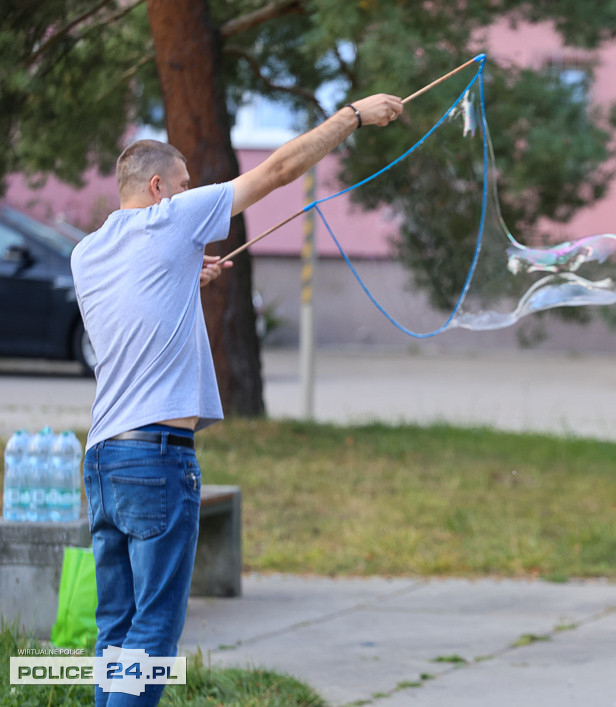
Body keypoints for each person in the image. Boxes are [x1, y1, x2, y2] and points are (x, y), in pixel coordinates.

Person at [71, 93, 403, 706]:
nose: (196, 193)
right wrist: (352, 116)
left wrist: (185, 274)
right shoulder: (173, 217)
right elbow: (276, 171)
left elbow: (136, 298)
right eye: (186, 185)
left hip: (103, 458)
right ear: (157, 187)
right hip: (157, 460)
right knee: (152, 637)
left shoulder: (87, 252)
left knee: (115, 633)